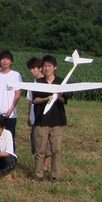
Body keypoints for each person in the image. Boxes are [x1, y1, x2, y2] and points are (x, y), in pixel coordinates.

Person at [32, 55, 68, 184]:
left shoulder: (61, 82)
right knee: (40, 150)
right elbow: (34, 100)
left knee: (56, 150)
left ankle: (55, 176)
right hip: (41, 120)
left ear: (55, 68)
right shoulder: (39, 83)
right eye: (45, 66)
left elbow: (65, 100)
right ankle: (38, 175)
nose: (47, 69)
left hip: (57, 121)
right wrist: (47, 98)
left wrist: (58, 97)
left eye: (49, 66)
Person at [26, 56, 52, 174]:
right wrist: (29, 116)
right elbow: (30, 101)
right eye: (30, 69)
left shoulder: (46, 82)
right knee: (36, 145)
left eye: (34, 68)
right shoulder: (33, 83)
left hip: (44, 117)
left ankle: (45, 168)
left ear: (40, 68)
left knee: (45, 145)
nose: (32, 71)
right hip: (34, 118)